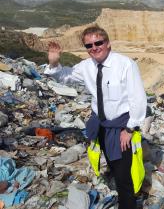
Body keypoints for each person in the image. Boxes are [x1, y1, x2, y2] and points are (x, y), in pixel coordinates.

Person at [45, 25, 147, 209]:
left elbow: (138, 99)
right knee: (112, 165)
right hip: (100, 126)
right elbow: (64, 76)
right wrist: (54, 63)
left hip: (121, 127)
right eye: (89, 45)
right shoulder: (87, 66)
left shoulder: (125, 65)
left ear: (108, 43)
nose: (94, 48)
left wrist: (130, 129)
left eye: (98, 43)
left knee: (124, 178)